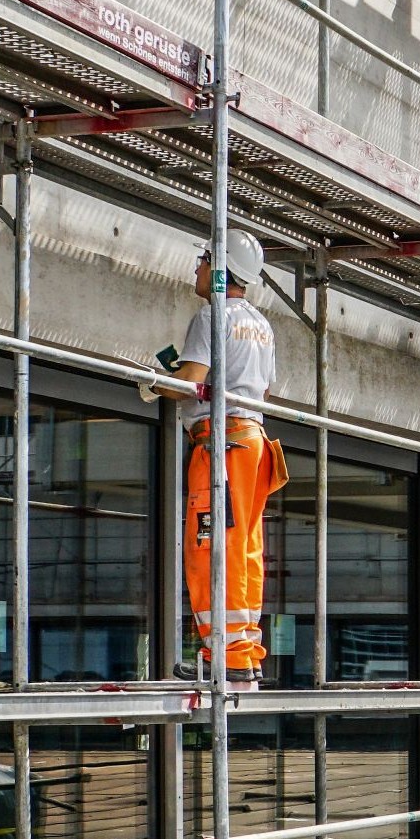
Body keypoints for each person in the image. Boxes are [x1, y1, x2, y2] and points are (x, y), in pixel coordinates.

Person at [146, 231, 286, 691]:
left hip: (221, 445)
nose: (197, 268)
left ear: (222, 269)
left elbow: (190, 381)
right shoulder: (262, 326)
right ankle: (242, 655)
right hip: (254, 443)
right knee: (244, 550)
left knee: (209, 549)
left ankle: (220, 654)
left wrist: (151, 381)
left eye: (204, 260)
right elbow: (261, 392)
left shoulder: (211, 315)